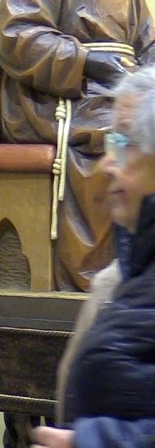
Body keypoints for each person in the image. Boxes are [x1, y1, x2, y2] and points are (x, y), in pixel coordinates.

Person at [0, 0, 155, 291]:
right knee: (120, 135)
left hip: (109, 94)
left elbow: (146, 41)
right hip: (55, 102)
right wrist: (85, 62)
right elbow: (16, 36)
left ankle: (142, 273)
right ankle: (93, 280)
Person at [31, 66, 155, 448]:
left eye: (126, 143)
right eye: (111, 142)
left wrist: (93, 441)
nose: (106, 163)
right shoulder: (120, 279)